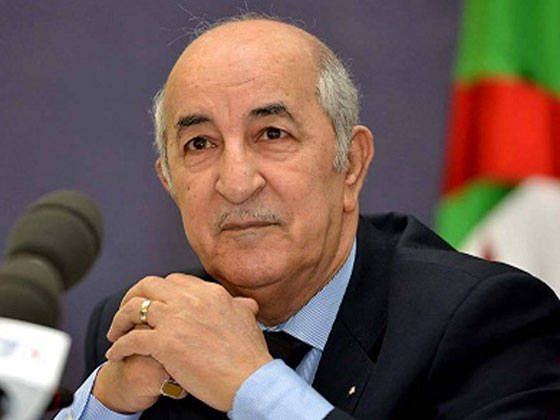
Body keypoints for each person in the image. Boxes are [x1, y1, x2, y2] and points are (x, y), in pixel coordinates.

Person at [56, 15, 560, 420]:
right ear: (170, 183)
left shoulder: (484, 321)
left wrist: (252, 385)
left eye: (272, 134)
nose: (236, 182)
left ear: (350, 164)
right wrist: (107, 405)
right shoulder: (144, 328)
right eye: (200, 144)